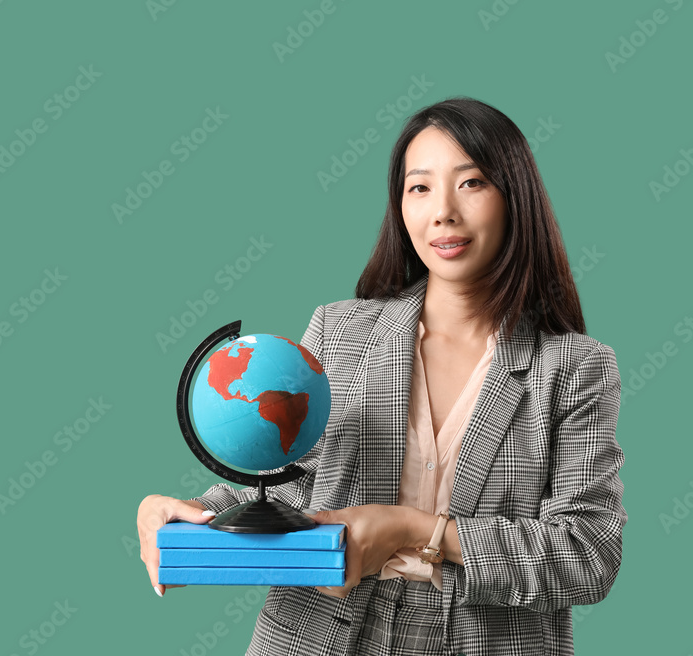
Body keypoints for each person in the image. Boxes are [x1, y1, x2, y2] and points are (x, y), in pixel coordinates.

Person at [137, 96, 627, 655]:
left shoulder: (575, 368)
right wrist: (192, 516)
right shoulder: (340, 332)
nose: (442, 211)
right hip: (318, 636)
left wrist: (416, 530)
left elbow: (589, 555)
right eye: (419, 187)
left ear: (516, 198)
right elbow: (295, 481)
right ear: (400, 206)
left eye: (471, 183)